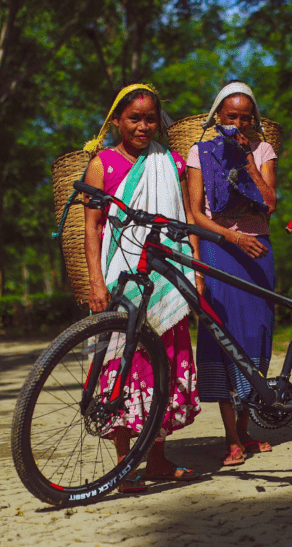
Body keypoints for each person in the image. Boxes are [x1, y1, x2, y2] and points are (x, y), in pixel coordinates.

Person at [82, 83, 202, 492]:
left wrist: (197, 271)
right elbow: (93, 227)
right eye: (134, 118)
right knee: (125, 365)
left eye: (151, 118)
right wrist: (96, 282)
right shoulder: (103, 164)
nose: (143, 126)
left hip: (166, 276)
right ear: (116, 121)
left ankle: (157, 460)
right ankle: (123, 465)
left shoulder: (170, 161)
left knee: (163, 364)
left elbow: (186, 217)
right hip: (122, 278)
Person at [187, 81, 278, 467]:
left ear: (253, 120)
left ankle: (246, 427)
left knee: (256, 336)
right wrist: (231, 238)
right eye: (231, 117)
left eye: (245, 117)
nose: (238, 123)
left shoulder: (263, 150)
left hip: (259, 254)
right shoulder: (199, 152)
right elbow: (194, 213)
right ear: (217, 118)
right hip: (218, 250)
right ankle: (231, 437)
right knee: (222, 338)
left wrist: (249, 165)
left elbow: (270, 204)